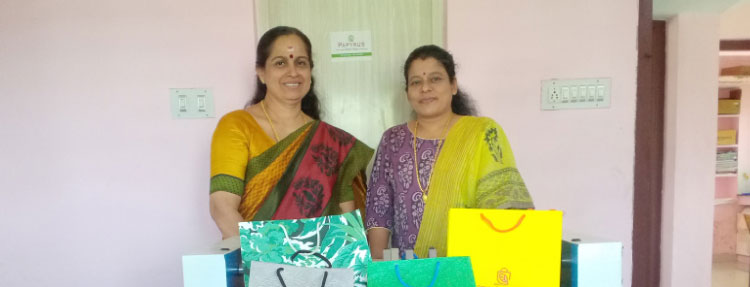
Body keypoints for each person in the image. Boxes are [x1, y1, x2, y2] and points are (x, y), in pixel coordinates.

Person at [365, 45, 534, 259]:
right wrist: (378, 266)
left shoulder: (482, 133)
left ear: (453, 85)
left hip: (468, 265)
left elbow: (506, 204)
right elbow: (379, 208)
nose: (425, 88)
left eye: (435, 79)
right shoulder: (392, 139)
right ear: (407, 92)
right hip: (407, 271)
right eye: (415, 82)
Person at [209, 26, 373, 239]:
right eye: (280, 63)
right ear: (261, 73)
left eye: (301, 63)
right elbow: (222, 208)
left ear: (310, 72)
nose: (293, 72)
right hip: (255, 256)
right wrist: (269, 255)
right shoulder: (237, 126)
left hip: (321, 258)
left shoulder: (331, 141)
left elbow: (347, 222)